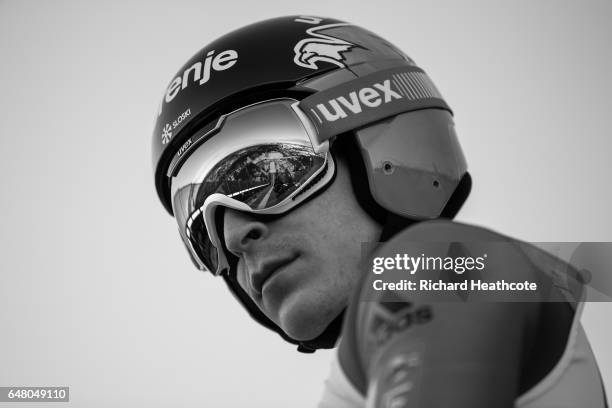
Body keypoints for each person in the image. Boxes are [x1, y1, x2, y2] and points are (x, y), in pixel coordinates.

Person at [151, 15, 608, 407]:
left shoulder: (434, 262)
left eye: (271, 173)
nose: (231, 236)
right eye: (199, 226)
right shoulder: (363, 377)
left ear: (376, 143)